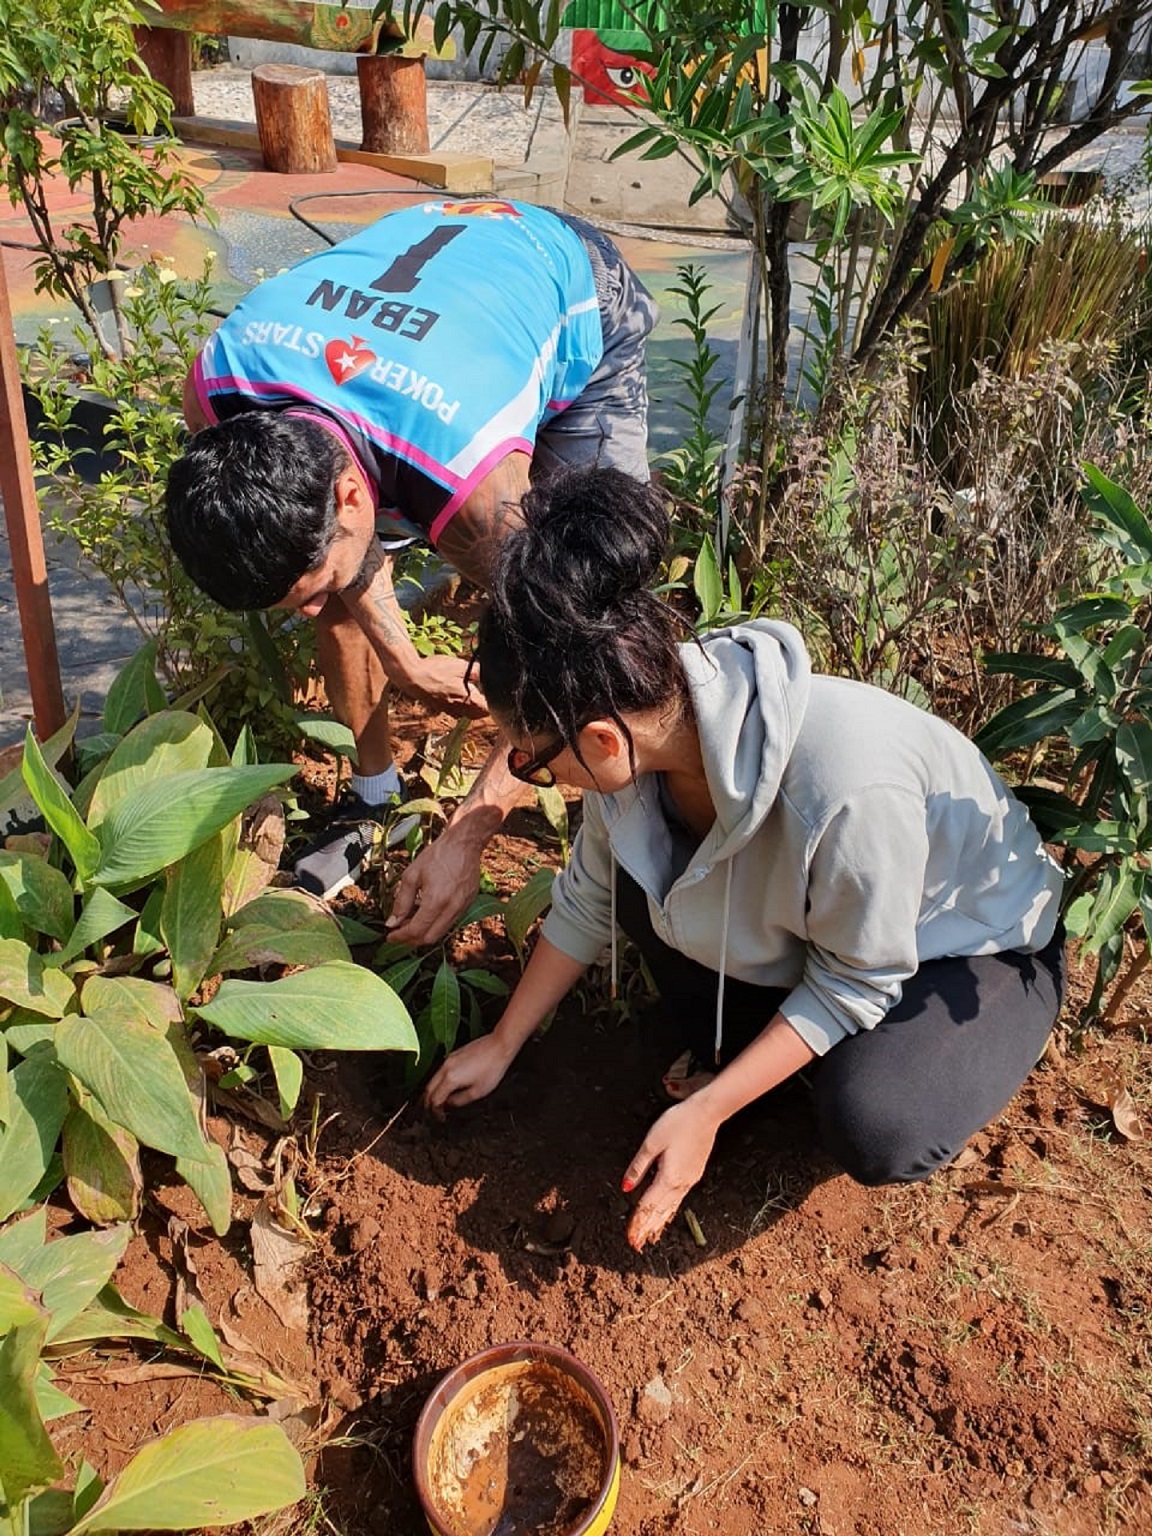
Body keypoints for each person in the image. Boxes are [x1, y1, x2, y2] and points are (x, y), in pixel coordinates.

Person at [424, 467, 1066, 1252]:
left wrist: (710, 1110)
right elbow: (590, 897)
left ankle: (920, 1053)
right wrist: (503, 1042)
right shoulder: (638, 736)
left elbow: (859, 976)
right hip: (835, 926)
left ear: (597, 740)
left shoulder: (843, 789)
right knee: (638, 891)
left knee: (877, 1122)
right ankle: (761, 1064)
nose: (534, 781)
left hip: (971, 948)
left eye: (530, 763)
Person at [165, 197, 657, 924]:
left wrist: (470, 828)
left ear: (351, 497)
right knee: (335, 583)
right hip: (431, 308)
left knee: (594, 593)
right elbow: (332, 575)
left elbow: (568, 648)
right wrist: (402, 660)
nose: (309, 611)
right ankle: (374, 796)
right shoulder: (217, 394)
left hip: (570, 281)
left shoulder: (477, 493)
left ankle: (634, 830)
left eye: (307, 591)